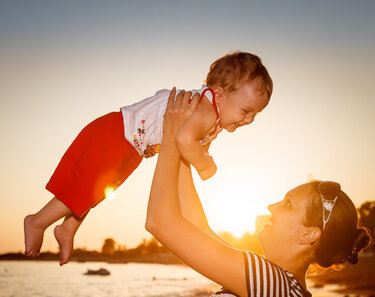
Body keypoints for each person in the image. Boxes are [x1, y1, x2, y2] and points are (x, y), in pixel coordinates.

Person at [145, 89, 371, 297]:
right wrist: (186, 144)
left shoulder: (273, 287)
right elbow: (196, 224)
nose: (272, 206)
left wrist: (172, 134)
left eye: (288, 204)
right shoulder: (282, 291)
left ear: (309, 235)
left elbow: (160, 222)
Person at [24, 51, 273, 265]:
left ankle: (68, 227)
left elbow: (190, 141)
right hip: (117, 133)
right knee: (89, 186)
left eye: (255, 115)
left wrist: (201, 150)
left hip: (131, 145)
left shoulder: (211, 114)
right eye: (246, 111)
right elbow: (185, 140)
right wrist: (205, 165)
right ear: (219, 94)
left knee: (98, 190)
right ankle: (37, 221)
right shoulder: (205, 110)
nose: (248, 120)